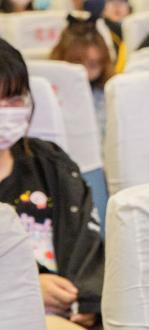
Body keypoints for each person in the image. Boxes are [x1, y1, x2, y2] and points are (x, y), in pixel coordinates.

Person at [0, 39, 104, 328]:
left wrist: (86, 301)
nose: (4, 111)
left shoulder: (50, 163)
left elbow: (87, 242)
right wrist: (27, 286)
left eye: (13, 100)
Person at [49, 25, 114, 142]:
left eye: (93, 65)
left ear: (103, 64)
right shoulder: (49, 94)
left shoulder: (107, 96)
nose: (84, 72)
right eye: (77, 64)